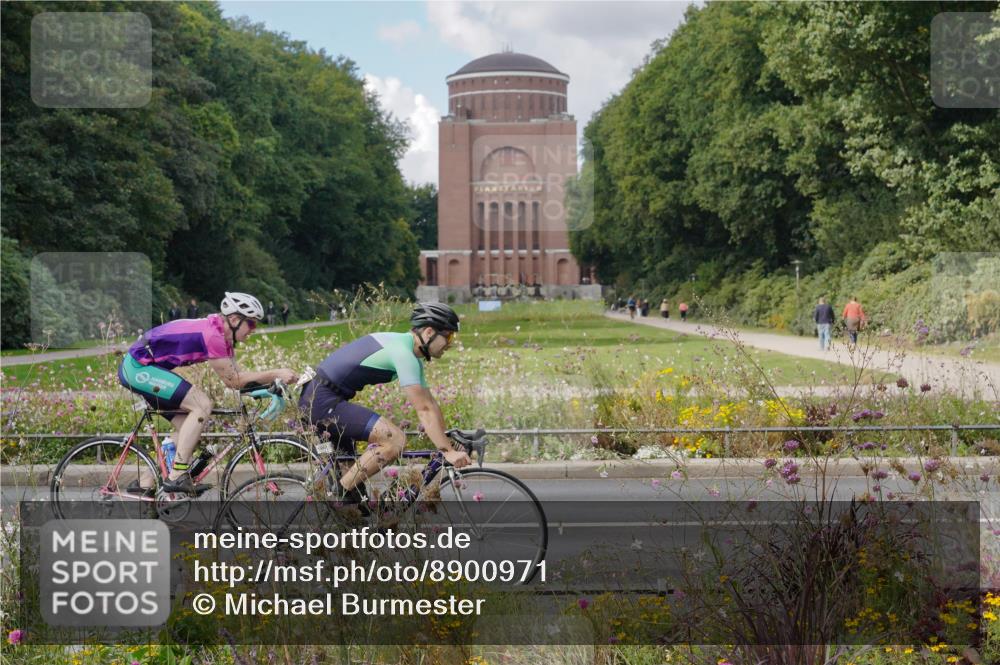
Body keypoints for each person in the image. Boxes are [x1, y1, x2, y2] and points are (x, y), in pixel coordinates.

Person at [117, 292, 298, 495]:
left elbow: (236, 382)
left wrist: (269, 388)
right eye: (252, 324)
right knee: (202, 405)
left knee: (188, 427)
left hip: (147, 367)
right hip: (137, 368)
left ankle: (146, 483)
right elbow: (235, 380)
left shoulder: (223, 336)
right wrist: (276, 373)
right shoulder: (213, 335)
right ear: (235, 320)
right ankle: (177, 476)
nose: (253, 330)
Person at [298, 303, 471, 503]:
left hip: (325, 398)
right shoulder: (403, 353)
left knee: (355, 501)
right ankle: (339, 492)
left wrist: (446, 441)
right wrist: (447, 451)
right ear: (429, 331)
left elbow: (430, 403)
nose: (450, 343)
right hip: (321, 401)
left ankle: (347, 510)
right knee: (394, 440)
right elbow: (422, 410)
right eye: (448, 336)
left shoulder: (408, 352)